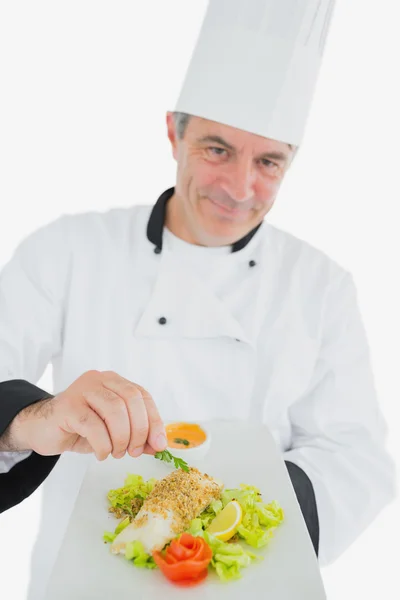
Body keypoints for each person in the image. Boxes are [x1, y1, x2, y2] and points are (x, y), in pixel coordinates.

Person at [0, 0, 395, 597]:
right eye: (217, 149)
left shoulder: (322, 286)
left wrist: (237, 519)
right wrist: (35, 420)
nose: (240, 189)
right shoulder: (65, 250)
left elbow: (356, 456)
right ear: (173, 132)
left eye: (268, 161)